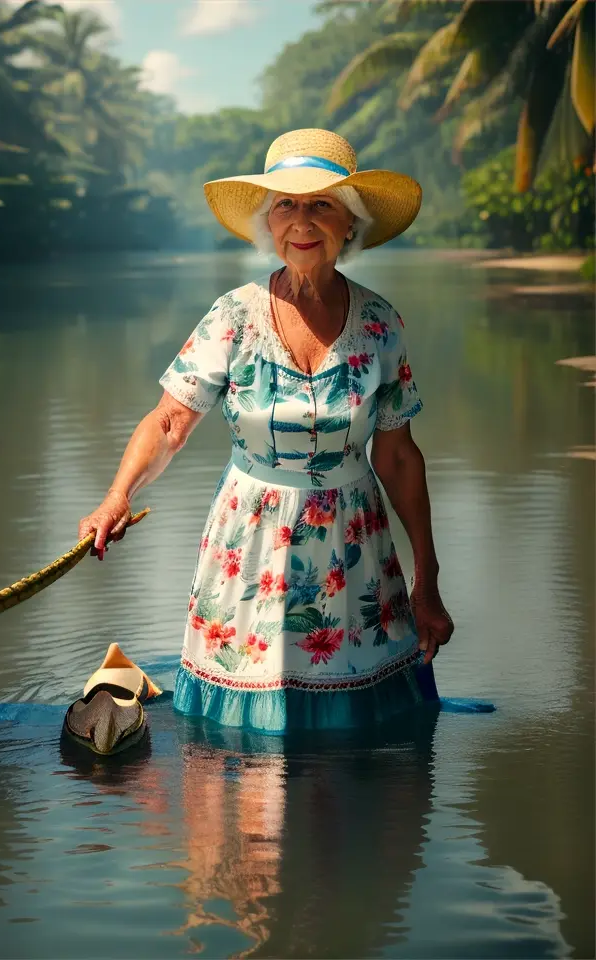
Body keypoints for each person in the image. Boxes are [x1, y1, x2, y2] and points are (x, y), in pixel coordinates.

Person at [78, 128, 453, 735]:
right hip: (251, 543)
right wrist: (118, 495)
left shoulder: (382, 324)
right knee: (243, 762)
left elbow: (401, 459)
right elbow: (170, 420)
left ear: (349, 224)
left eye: (320, 204)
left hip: (353, 547)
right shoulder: (233, 316)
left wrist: (427, 581)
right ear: (268, 222)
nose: (301, 221)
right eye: (286, 204)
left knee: (358, 748)